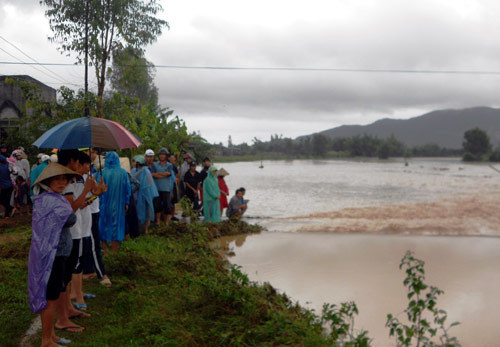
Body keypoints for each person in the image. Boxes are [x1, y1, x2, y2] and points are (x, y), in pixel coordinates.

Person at [28, 163, 80, 346]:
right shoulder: (50, 200)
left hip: (58, 253)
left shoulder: (53, 199)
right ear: (48, 182)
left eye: (64, 179)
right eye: (57, 179)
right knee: (50, 299)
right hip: (53, 256)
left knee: (55, 295)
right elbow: (71, 219)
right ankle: (46, 340)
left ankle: (51, 336)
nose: (61, 182)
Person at [83, 148, 111, 287]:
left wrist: (98, 190)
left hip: (93, 211)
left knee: (91, 243)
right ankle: (98, 273)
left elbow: (93, 192)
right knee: (92, 243)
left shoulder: (89, 174)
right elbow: (86, 198)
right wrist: (97, 193)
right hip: (88, 212)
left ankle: (94, 271)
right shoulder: (82, 176)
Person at [95, 151, 131, 253]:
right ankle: (115, 251)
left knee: (103, 225)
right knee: (117, 226)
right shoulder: (123, 173)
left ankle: (105, 249)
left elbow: (97, 189)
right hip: (119, 204)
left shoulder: (101, 173)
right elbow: (127, 189)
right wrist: (126, 202)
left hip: (104, 204)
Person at [133, 155, 158, 233]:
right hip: (137, 195)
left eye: (134, 161)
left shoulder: (146, 171)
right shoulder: (134, 170)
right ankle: (139, 229)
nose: (132, 163)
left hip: (145, 195)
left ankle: (146, 229)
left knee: (147, 211)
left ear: (138, 162)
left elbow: (150, 184)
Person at [151, 148, 174, 226]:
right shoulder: (155, 165)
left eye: (164, 154)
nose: (162, 156)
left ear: (166, 156)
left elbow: (169, 173)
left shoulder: (170, 165)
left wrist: (158, 174)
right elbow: (153, 174)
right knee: (157, 206)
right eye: (161, 154)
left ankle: (167, 222)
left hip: (166, 188)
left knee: (167, 206)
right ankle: (158, 222)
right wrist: (164, 174)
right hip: (157, 188)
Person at [168, 153, 179, 221]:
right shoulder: (166, 166)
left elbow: (177, 175)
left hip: (173, 185)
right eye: (172, 158)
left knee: (174, 201)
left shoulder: (174, 167)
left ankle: (172, 215)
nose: (173, 159)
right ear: (169, 158)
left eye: (174, 158)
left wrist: (176, 183)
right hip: (167, 186)